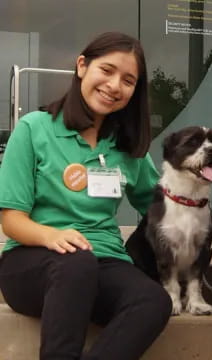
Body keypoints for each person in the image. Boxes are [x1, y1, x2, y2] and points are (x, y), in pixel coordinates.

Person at [0, 32, 172, 360]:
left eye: (128, 80)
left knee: (153, 301)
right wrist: (51, 235)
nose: (114, 85)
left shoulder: (128, 147)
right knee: (76, 264)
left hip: (103, 261)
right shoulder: (34, 129)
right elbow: (11, 221)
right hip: (32, 259)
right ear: (82, 66)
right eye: (106, 70)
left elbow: (162, 204)